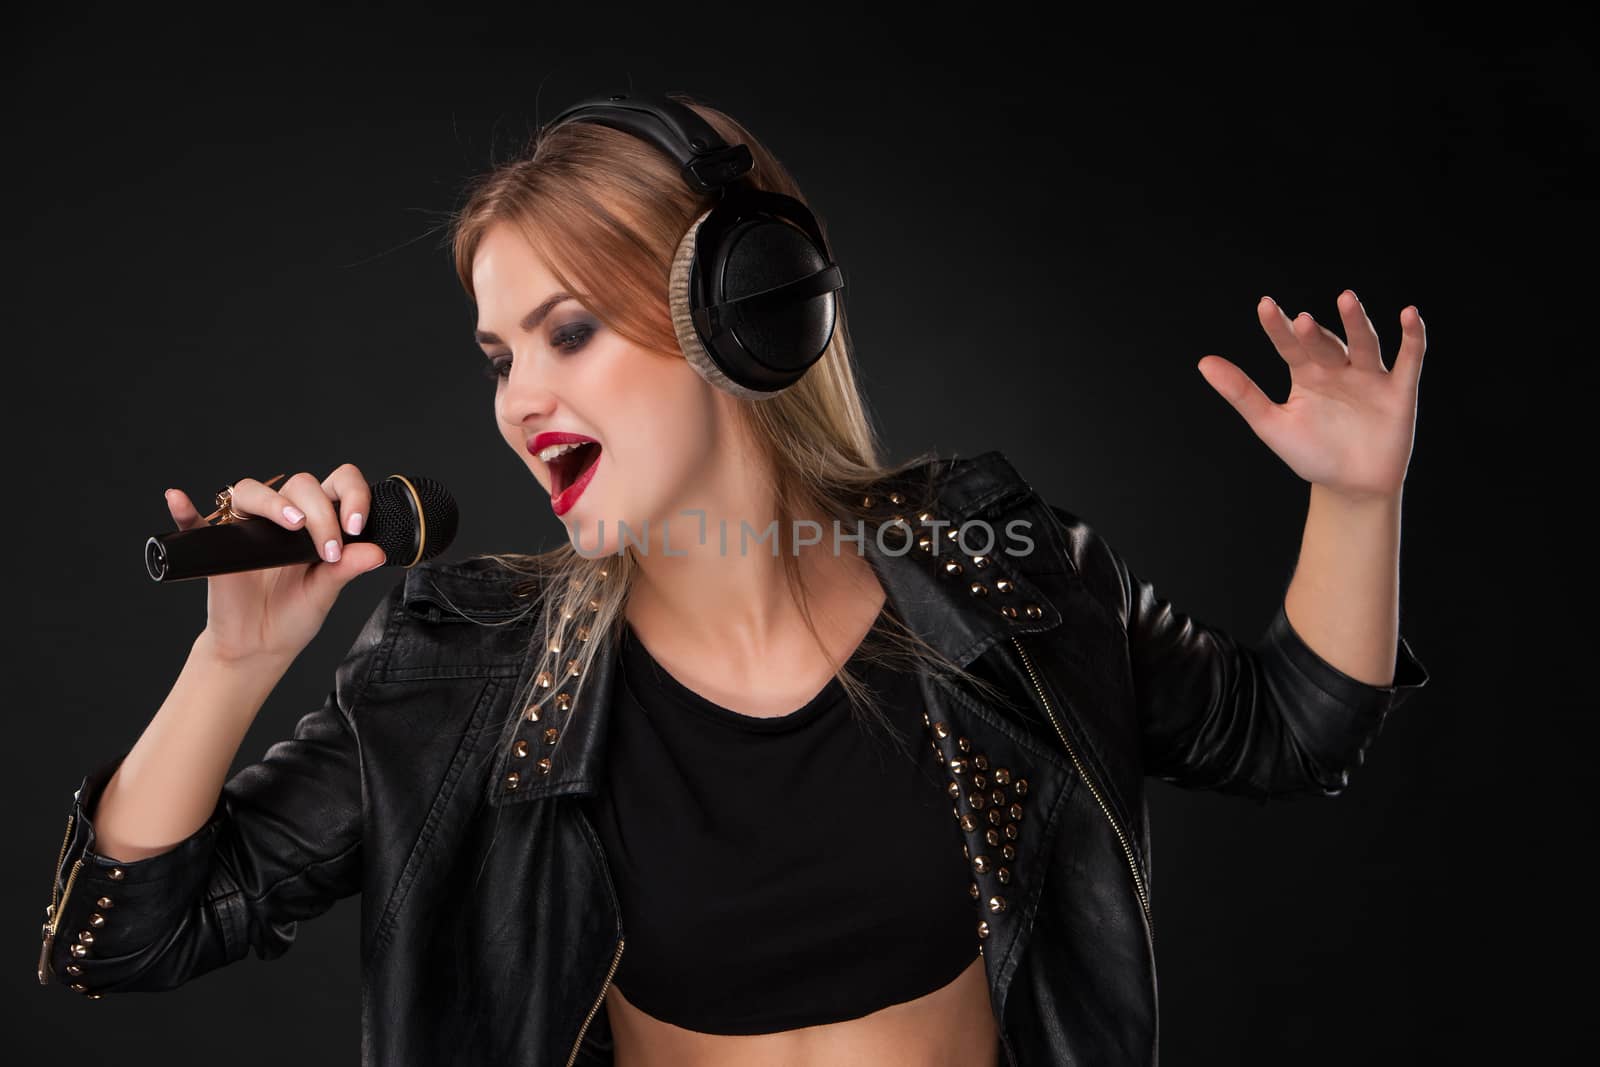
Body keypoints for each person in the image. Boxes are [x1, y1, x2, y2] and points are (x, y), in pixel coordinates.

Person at [36, 90, 1431, 1067]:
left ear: (747, 312)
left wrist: (1357, 496)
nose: (522, 399)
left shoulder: (1007, 578)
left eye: (568, 331)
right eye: (499, 356)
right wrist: (238, 660)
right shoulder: (461, 673)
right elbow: (127, 941)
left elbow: (1289, 730)